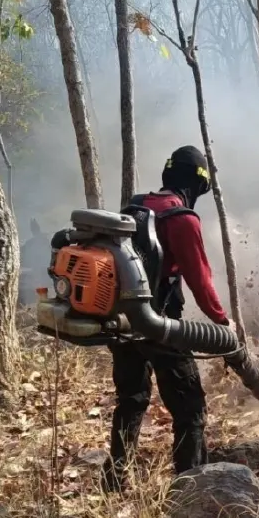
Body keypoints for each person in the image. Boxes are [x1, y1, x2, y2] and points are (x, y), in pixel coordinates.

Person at [102, 145, 231, 492]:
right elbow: (200, 280)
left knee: (131, 400)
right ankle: (190, 491)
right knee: (190, 409)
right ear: (198, 184)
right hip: (162, 326)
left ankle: (114, 483)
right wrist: (222, 323)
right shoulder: (182, 218)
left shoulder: (135, 206)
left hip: (123, 323)